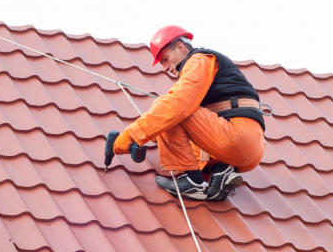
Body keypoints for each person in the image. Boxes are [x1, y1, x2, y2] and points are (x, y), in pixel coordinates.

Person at [112, 25, 267, 201]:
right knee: (170, 115)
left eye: (165, 59)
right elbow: (193, 126)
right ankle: (221, 172)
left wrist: (132, 135)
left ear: (180, 47)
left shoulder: (199, 59)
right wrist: (150, 136)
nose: (164, 67)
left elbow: (177, 105)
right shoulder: (209, 70)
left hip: (235, 137)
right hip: (250, 149)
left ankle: (193, 181)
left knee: (167, 106)